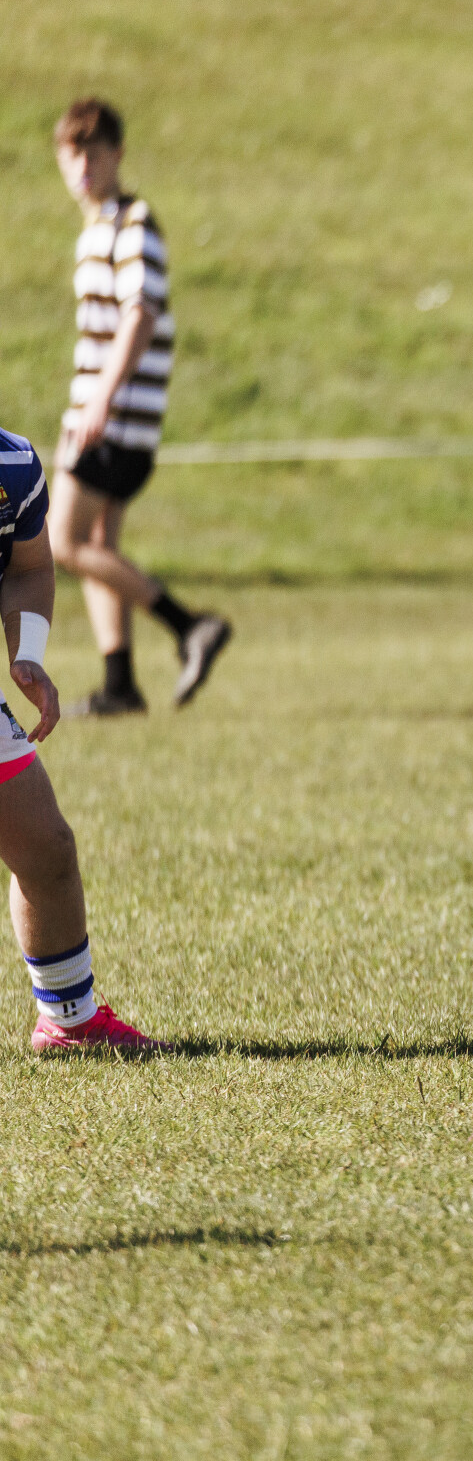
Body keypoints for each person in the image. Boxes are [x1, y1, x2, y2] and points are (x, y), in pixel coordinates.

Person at [50, 99, 231, 718]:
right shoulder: (98, 229)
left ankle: (190, 626)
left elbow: (141, 314)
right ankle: (120, 685)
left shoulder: (133, 223)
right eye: (72, 155)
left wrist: (100, 397)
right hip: (109, 412)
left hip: (115, 417)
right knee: (101, 542)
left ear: (117, 155)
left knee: (62, 540)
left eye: (93, 154)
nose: (82, 168)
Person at [0, 429, 164, 1053]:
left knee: (44, 845)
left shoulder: (13, 464)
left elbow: (29, 567)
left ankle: (69, 1019)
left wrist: (28, 654)